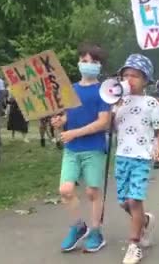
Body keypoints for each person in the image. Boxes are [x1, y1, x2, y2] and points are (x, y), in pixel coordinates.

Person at [51, 42, 111, 253]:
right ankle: (78, 227)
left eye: (94, 62)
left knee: (93, 192)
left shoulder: (103, 92)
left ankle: (96, 231)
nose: (89, 65)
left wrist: (74, 132)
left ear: (100, 66)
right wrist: (60, 121)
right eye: (85, 61)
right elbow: (70, 115)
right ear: (78, 62)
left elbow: (104, 122)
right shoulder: (70, 90)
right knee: (65, 190)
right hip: (71, 149)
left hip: (93, 148)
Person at [113, 54, 159, 264]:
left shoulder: (151, 102)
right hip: (121, 156)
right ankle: (144, 220)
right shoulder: (117, 101)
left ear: (145, 80)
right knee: (124, 202)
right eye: (126, 75)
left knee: (135, 200)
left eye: (135, 75)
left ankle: (134, 245)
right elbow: (110, 127)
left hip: (142, 157)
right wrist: (113, 106)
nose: (129, 79)